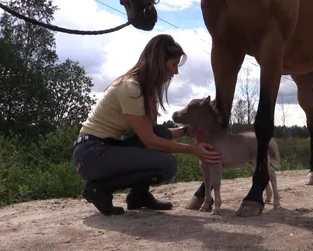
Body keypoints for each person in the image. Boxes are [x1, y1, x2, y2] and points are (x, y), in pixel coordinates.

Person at [72, 34, 222, 216]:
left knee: (161, 132)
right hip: (91, 154)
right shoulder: (130, 88)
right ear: (160, 62)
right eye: (173, 64)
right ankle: (99, 189)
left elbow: (154, 133)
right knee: (167, 164)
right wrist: (193, 149)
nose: (176, 72)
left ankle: (138, 195)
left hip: (104, 148)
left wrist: (185, 131)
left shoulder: (144, 90)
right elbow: (150, 141)